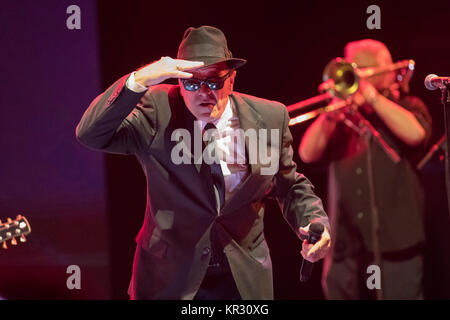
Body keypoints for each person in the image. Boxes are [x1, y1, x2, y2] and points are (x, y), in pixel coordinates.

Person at [76, 25, 331, 300]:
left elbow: (288, 186)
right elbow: (91, 134)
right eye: (192, 83)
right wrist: (139, 79)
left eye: (214, 82)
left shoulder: (269, 117)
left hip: (243, 278)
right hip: (170, 277)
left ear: (232, 80)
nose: (203, 93)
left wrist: (314, 221)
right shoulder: (157, 110)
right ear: (179, 83)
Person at [299, 39, 432, 300]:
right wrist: (330, 113)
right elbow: (306, 153)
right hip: (344, 249)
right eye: (351, 68)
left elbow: (416, 134)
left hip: (397, 245)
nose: (356, 74)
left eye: (364, 68)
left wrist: (370, 95)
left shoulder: (408, 105)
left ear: (388, 69)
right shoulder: (341, 116)